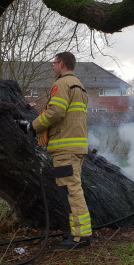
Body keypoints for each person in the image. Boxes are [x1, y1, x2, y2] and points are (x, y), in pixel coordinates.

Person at [30, 52, 92, 249]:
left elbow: (56, 112)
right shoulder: (79, 86)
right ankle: (78, 232)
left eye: (54, 63)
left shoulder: (62, 84)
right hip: (76, 147)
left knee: (71, 191)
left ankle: (81, 236)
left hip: (65, 148)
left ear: (62, 64)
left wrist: (34, 126)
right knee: (72, 190)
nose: (52, 66)